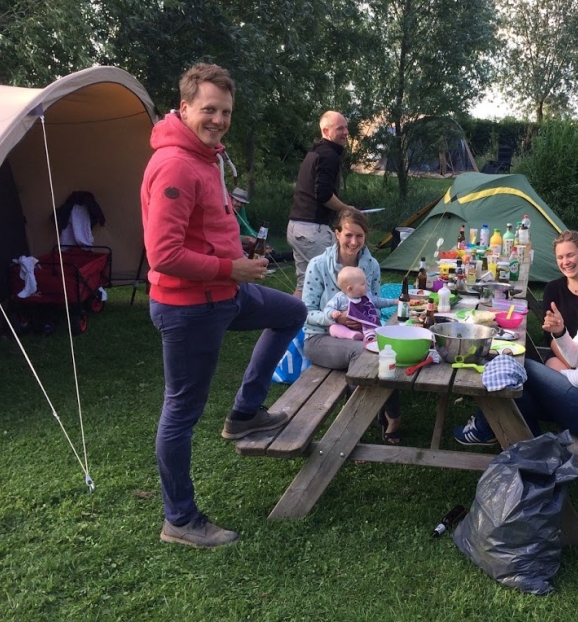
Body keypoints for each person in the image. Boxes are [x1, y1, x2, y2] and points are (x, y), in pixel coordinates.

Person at [142, 63, 308, 548]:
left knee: (291, 313)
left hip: (225, 294)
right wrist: (229, 268)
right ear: (185, 107)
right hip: (189, 306)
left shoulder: (207, 156)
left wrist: (239, 251)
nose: (218, 120)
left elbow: (209, 225)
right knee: (181, 412)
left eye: (226, 112)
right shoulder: (175, 164)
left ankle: (245, 412)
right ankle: (179, 519)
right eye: (209, 110)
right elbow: (163, 255)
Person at [454, 243, 578, 447]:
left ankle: (483, 428)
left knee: (521, 366)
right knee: (518, 393)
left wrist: (553, 373)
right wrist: (560, 332)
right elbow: (576, 357)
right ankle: (533, 448)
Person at [301, 208, 404, 444]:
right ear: (337, 234)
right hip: (320, 338)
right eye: (348, 235)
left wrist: (366, 320)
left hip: (362, 334)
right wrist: (335, 318)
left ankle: (389, 414)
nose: (354, 242)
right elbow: (305, 312)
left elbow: (373, 304)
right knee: (368, 354)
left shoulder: (372, 265)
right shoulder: (318, 265)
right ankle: (354, 430)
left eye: (359, 236)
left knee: (390, 348)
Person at [286, 111, 352, 299]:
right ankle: (331, 319)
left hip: (296, 227)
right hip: (312, 231)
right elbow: (323, 195)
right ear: (325, 131)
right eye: (340, 128)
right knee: (332, 282)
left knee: (304, 284)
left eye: (346, 128)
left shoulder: (316, 152)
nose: (346, 132)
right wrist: (347, 210)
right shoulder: (329, 155)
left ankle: (290, 316)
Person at [540, 230, 578, 371]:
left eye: (570, 255)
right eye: (560, 257)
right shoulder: (553, 288)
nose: (565, 262)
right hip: (561, 355)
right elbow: (550, 336)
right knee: (554, 370)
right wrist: (572, 364)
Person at [324, 265, 395, 343]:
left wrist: (394, 301)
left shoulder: (367, 296)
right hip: (345, 327)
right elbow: (328, 308)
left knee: (372, 329)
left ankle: (369, 338)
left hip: (364, 326)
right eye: (363, 284)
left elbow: (379, 301)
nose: (366, 286)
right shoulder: (340, 298)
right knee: (333, 328)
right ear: (350, 288)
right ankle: (351, 334)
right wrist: (333, 312)